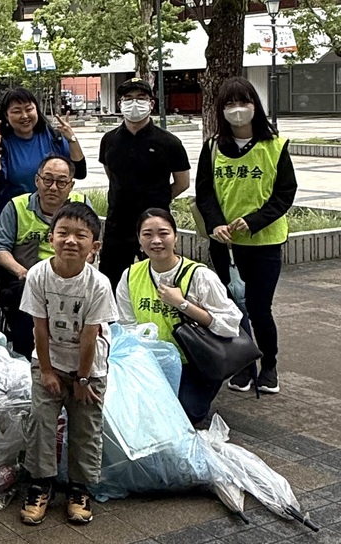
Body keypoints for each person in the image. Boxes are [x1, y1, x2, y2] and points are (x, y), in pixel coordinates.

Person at [195, 76, 297, 394]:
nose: (237, 109)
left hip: (264, 243)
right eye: (229, 104)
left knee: (259, 308)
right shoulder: (213, 148)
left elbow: (284, 193)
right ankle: (242, 365)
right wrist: (215, 224)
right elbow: (204, 193)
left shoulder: (275, 146)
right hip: (225, 245)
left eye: (243, 102)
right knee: (231, 307)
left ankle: (269, 365)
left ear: (255, 105)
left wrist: (254, 221)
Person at [19, 202, 116, 526]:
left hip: (89, 368)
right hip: (49, 360)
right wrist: (47, 371)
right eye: (63, 233)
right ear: (51, 238)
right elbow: (39, 328)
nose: (71, 241)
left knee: (86, 427)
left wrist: (83, 380)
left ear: (94, 246)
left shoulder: (98, 284)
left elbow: (90, 337)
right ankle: (40, 485)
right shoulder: (38, 275)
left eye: (80, 235)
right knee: (41, 421)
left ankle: (79, 488)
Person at [116, 208, 243, 424]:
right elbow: (125, 324)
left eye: (163, 233)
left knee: (186, 413)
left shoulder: (200, 275)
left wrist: (182, 304)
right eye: (147, 234)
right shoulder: (131, 275)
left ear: (175, 237)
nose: (156, 241)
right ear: (139, 240)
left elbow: (230, 324)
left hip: (194, 360)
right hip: (151, 360)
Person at [98, 78, 191, 290]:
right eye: (128, 98)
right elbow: (112, 175)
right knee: (111, 282)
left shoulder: (169, 142)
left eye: (141, 98)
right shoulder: (109, 140)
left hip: (155, 225)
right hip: (117, 224)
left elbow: (182, 182)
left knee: (160, 283)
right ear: (120, 103)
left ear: (151, 103)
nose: (134, 103)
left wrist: (157, 199)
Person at [0, 155, 88, 358]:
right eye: (48, 180)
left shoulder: (82, 205)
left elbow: (91, 247)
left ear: (71, 185)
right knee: (24, 299)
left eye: (61, 182)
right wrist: (22, 272)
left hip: (69, 276)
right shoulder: (16, 206)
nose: (53, 187)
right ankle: (27, 355)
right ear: (37, 180)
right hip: (26, 278)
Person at [0, 88, 87, 218]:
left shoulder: (53, 136)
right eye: (17, 111)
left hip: (53, 215)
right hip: (15, 217)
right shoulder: (1, 143)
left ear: (37, 110)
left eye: (29, 109)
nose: (24, 116)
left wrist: (71, 139)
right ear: (6, 116)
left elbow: (80, 173)